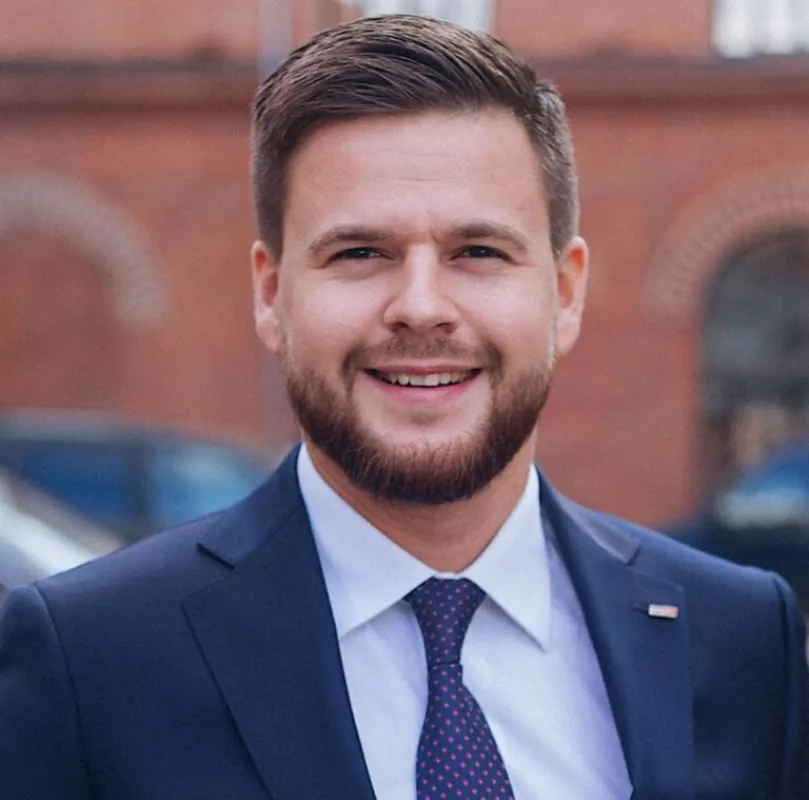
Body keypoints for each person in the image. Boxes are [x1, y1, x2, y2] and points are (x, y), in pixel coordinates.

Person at [0, 15, 806, 800]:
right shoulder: (90, 658)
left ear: (563, 293)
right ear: (272, 295)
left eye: (477, 252)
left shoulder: (739, 637)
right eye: (360, 252)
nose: (421, 306)